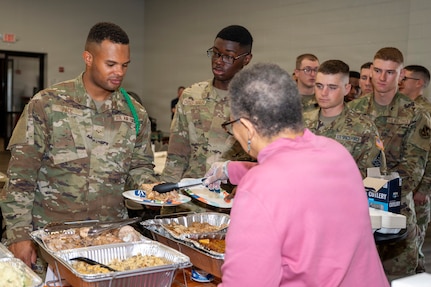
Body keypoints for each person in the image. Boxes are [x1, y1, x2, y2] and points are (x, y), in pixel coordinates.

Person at [203, 63, 389, 287]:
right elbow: (296, 179)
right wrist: (231, 169)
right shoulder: (335, 152)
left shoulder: (258, 188)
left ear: (247, 127)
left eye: (232, 124)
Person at [0, 22, 157, 272]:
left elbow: (138, 166)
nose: (119, 72)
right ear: (88, 58)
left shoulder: (134, 113)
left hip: (109, 238)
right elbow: (21, 176)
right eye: (110, 64)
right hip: (51, 238)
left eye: (124, 65)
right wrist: (19, 235)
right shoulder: (48, 104)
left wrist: (148, 187)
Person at [348, 47, 431, 280]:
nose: (382, 78)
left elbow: (414, 166)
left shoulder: (415, 114)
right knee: (357, 274)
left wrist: (379, 193)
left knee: (400, 274)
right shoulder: (354, 110)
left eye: (390, 72)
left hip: (396, 206)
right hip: (356, 204)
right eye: (378, 70)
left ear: (401, 75)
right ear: (371, 71)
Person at [161, 25, 253, 199]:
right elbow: (176, 155)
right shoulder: (191, 96)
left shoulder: (256, 102)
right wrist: (166, 195)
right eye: (216, 53)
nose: (219, 60)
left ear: (246, 59)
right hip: (190, 202)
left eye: (228, 56)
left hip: (232, 203)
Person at [303, 60, 382, 177]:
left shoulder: (363, 127)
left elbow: (373, 176)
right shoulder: (300, 123)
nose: (323, 93)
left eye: (332, 87)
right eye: (319, 86)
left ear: (347, 89)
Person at [399, 64, 431, 273]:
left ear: (419, 83)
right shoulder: (402, 107)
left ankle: (415, 277)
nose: (400, 82)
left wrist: (424, 188)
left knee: (413, 243)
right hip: (403, 186)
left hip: (417, 189)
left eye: (405, 78)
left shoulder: (425, 112)